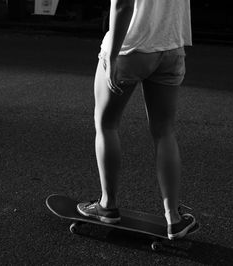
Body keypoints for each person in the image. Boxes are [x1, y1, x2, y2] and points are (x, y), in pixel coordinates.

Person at [77, 0, 196, 240]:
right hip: (171, 47)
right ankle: (173, 218)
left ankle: (107, 206)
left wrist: (111, 56)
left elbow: (123, 5)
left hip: (131, 48)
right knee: (164, 131)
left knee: (107, 124)